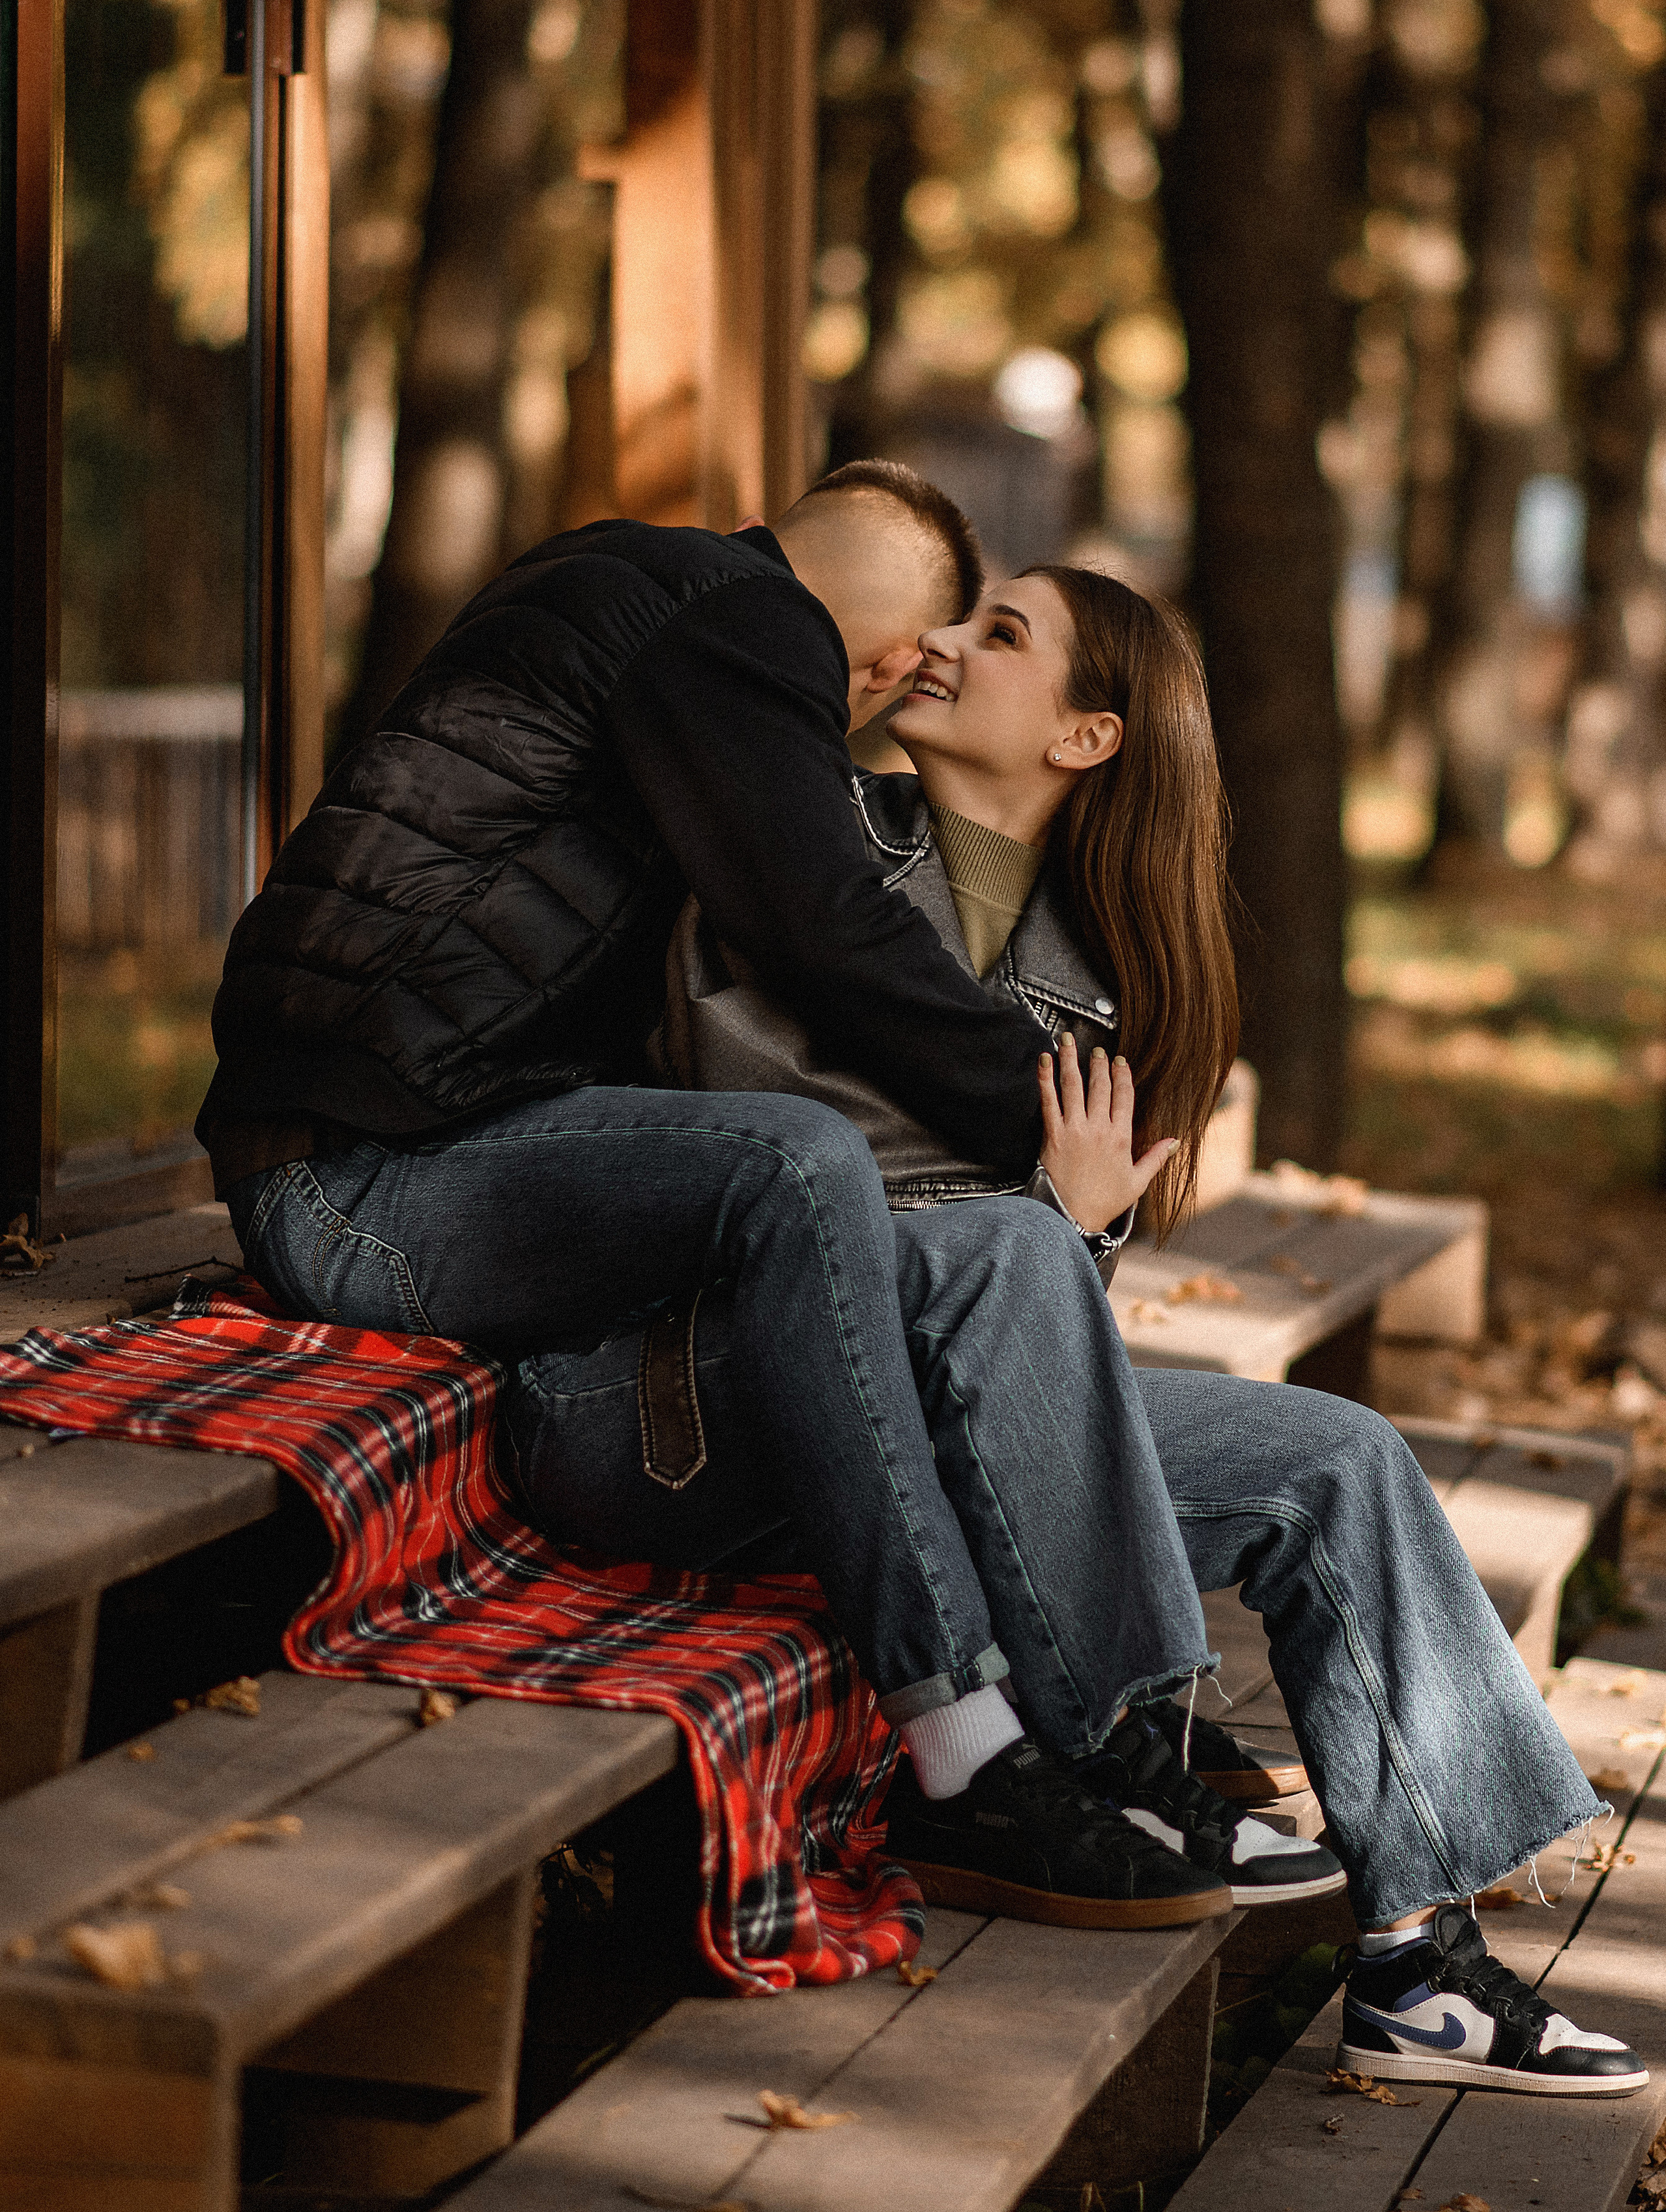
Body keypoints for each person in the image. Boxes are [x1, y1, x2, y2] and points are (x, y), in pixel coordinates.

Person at [510, 562, 1646, 2097]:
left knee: (1343, 1461)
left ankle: (1416, 1961)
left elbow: (1042, 1372)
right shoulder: (796, 850)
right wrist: (1039, 1221)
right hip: (718, 1387)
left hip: (922, 1405)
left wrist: (1081, 1226)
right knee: (994, 1242)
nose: (946, 644)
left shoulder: (1087, 995)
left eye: (1002, 634)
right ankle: (1125, 1748)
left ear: (1086, 739)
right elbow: (763, 1151)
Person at [208, 465, 1251, 1935]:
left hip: (434, 1144)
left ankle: (1121, 1729)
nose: (906, 680)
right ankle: (968, 1756)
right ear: (880, 648)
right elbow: (821, 928)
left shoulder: (633, 601)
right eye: (919, 650)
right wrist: (1053, 1116)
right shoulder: (729, 621)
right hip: (355, 1181)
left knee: (1019, 1273)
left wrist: (1055, 1197)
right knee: (793, 1158)